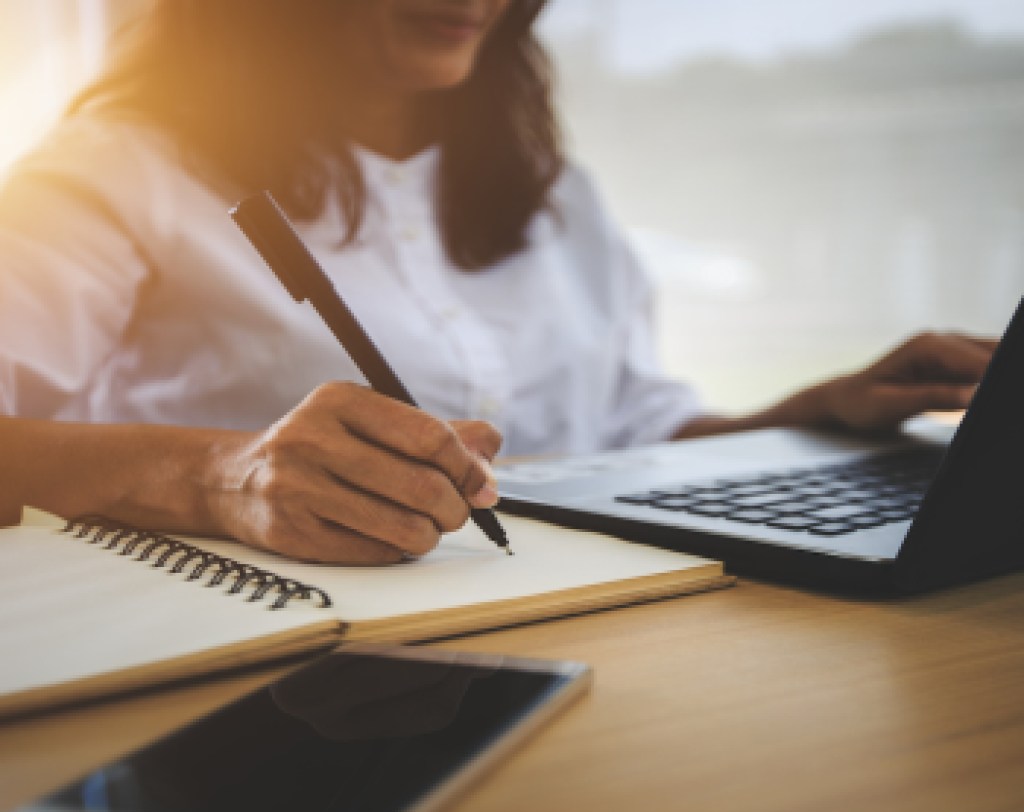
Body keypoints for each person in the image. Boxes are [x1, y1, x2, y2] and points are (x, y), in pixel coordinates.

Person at [0, 0, 995, 565]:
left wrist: (822, 409)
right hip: (288, 674)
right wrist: (220, 477)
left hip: (589, 630)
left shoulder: (557, 196)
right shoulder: (112, 171)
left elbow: (625, 439)